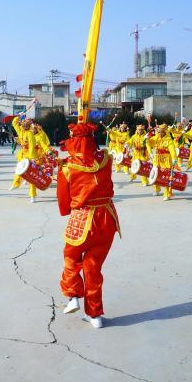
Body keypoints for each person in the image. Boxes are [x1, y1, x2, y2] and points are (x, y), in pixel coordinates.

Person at [58, 122, 120, 329]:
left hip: (83, 219)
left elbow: (64, 201)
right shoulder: (107, 160)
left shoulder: (67, 167)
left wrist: (69, 211)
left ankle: (73, 295)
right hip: (107, 219)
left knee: (71, 257)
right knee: (93, 267)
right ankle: (95, 316)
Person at [10, 115, 38, 201]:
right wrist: (18, 116)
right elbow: (14, 123)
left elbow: (32, 146)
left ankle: (32, 195)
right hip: (21, 155)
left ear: (29, 126)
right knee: (18, 171)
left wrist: (32, 158)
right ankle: (16, 184)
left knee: (31, 176)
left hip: (29, 156)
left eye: (27, 124)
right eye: (24, 124)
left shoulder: (30, 134)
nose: (25, 125)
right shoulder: (20, 131)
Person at [146, 123, 177, 200]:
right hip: (157, 158)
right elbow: (148, 144)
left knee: (166, 176)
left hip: (166, 159)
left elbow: (172, 150)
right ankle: (157, 189)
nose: (159, 133)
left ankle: (167, 193)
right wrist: (146, 140)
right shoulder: (155, 138)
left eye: (161, 132)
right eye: (158, 132)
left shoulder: (169, 140)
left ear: (164, 132)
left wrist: (174, 158)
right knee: (156, 174)